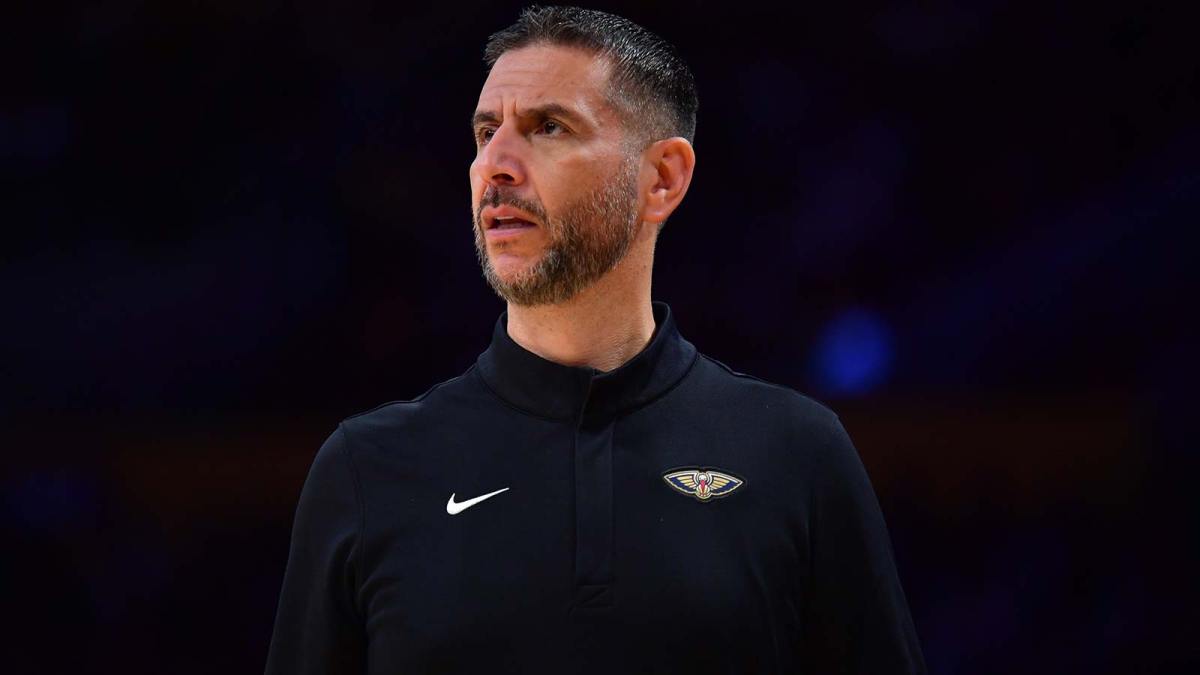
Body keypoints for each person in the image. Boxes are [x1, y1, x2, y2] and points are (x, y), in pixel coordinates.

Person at [264, 6, 926, 674]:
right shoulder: (365, 469)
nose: (495, 165)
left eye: (548, 127)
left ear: (662, 177)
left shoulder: (798, 456)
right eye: (486, 131)